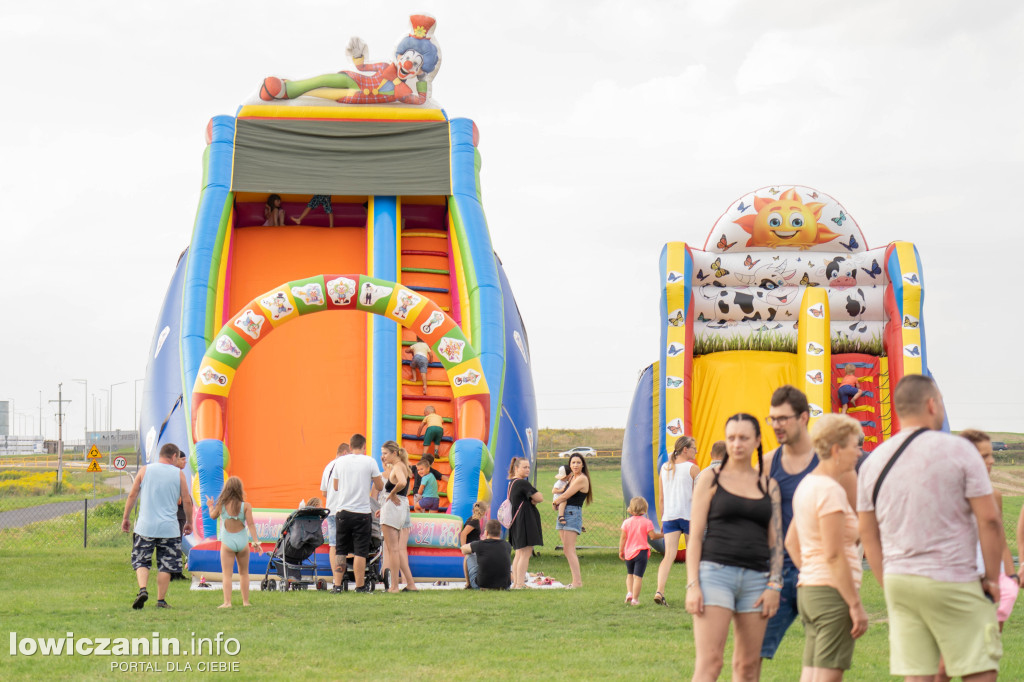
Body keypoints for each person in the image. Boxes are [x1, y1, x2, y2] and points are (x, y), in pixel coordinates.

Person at [858, 375, 1003, 681]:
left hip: (900, 579)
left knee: (918, 674)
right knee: (978, 666)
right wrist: (991, 578)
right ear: (931, 404)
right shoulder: (960, 450)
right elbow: (989, 520)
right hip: (952, 575)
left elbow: (868, 534)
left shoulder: (873, 462)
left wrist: (888, 582)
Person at [686, 413, 783, 681]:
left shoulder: (768, 485)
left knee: (747, 667)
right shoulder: (710, 478)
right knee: (710, 663)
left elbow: (776, 542)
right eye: (731, 438)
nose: (737, 443)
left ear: (757, 441)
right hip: (715, 576)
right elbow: (694, 536)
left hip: (757, 581)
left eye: (743, 438)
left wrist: (774, 585)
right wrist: (693, 585)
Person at [761, 386, 853, 667]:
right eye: (772, 419)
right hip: (781, 575)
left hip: (822, 574)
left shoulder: (832, 464)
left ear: (803, 418)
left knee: (821, 663)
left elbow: (854, 520)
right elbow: (764, 527)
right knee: (750, 657)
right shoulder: (767, 464)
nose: (776, 425)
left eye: (783, 418)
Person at [786, 414, 869, 680]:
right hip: (832, 594)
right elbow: (833, 555)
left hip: (811, 590)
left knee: (811, 674)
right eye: (854, 446)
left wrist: (812, 572)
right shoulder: (831, 491)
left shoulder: (808, 484)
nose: (859, 452)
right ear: (836, 449)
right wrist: (855, 605)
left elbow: (791, 542)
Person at [960, 429, 1019, 633]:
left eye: (991, 454)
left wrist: (1011, 578)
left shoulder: (994, 496)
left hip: (992, 577)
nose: (992, 461)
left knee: (990, 643)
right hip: (960, 580)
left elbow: (999, 538)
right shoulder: (948, 494)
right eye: (985, 456)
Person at [121, 443, 193, 609]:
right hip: (169, 528)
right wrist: (188, 522)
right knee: (166, 565)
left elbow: (132, 495)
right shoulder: (179, 474)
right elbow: (187, 500)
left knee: (141, 561)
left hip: (145, 527)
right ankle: (161, 600)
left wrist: (126, 518)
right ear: (174, 456)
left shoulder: (145, 470)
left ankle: (143, 589)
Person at [329, 433, 384, 593]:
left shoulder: (340, 462)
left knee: (341, 550)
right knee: (361, 551)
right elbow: (380, 486)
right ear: (364, 447)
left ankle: (337, 586)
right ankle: (360, 586)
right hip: (362, 512)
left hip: (343, 512)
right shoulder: (370, 461)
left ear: (350, 446)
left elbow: (336, 486)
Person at [654, 435, 700, 607]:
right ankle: (693, 593)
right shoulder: (693, 469)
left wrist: (662, 518)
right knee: (693, 556)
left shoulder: (665, 468)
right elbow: (698, 496)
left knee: (668, 557)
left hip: (670, 517)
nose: (696, 451)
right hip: (689, 516)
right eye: (694, 448)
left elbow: (661, 499)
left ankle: (660, 591)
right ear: (685, 449)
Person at [205, 476, 263, 608]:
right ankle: (246, 602)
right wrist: (256, 542)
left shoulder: (221, 505)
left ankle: (227, 602)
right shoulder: (246, 506)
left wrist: (210, 506)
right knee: (244, 573)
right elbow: (251, 525)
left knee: (227, 574)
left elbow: (213, 516)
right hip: (242, 542)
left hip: (227, 542)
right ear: (239, 490)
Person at [380, 440, 417, 592]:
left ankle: (394, 586)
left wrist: (391, 494)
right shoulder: (403, 466)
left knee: (393, 549)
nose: (383, 457)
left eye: (385, 453)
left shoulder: (397, 467)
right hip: (399, 507)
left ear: (394, 453)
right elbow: (404, 488)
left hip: (393, 509)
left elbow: (401, 483)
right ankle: (404, 584)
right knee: (395, 549)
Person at [552, 452, 592, 589]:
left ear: (582, 465)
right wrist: (558, 503)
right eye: (573, 462)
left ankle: (577, 582)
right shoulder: (571, 478)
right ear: (569, 464)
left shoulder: (582, 479)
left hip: (572, 513)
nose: (575, 465)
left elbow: (566, 495)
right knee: (566, 550)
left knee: (569, 549)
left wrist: (556, 502)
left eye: (578, 463)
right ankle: (575, 581)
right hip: (563, 512)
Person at [506, 457, 543, 589]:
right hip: (525, 520)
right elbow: (540, 497)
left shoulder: (512, 483)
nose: (527, 470)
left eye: (528, 467)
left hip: (516, 521)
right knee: (525, 553)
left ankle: (516, 582)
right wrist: (534, 500)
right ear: (516, 468)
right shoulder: (523, 483)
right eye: (524, 467)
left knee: (519, 553)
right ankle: (520, 583)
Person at [620, 497, 664, 606]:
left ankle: (629, 593)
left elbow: (623, 538)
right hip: (641, 552)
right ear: (645, 509)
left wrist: (621, 550)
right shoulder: (647, 522)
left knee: (630, 574)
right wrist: (663, 535)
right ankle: (635, 599)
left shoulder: (626, 522)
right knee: (638, 576)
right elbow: (653, 536)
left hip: (629, 552)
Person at [320, 442, 350, 588]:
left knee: (333, 544)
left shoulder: (328, 467)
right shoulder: (344, 465)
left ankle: (335, 578)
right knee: (347, 544)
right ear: (345, 453)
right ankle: (345, 575)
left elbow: (324, 492)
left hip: (330, 509)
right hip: (344, 508)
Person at [461, 520, 512, 590]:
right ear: (500, 533)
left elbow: (463, 549)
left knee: (468, 556)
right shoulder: (507, 545)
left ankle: (468, 584)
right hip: (504, 586)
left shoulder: (480, 544)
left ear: (486, 532)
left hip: (482, 585)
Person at [461, 501, 487, 588]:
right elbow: (463, 534)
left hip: (472, 546)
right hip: (472, 547)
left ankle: (468, 583)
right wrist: (464, 547)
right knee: (467, 559)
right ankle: (468, 583)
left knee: (467, 560)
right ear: (483, 512)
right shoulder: (474, 521)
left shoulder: (473, 519)